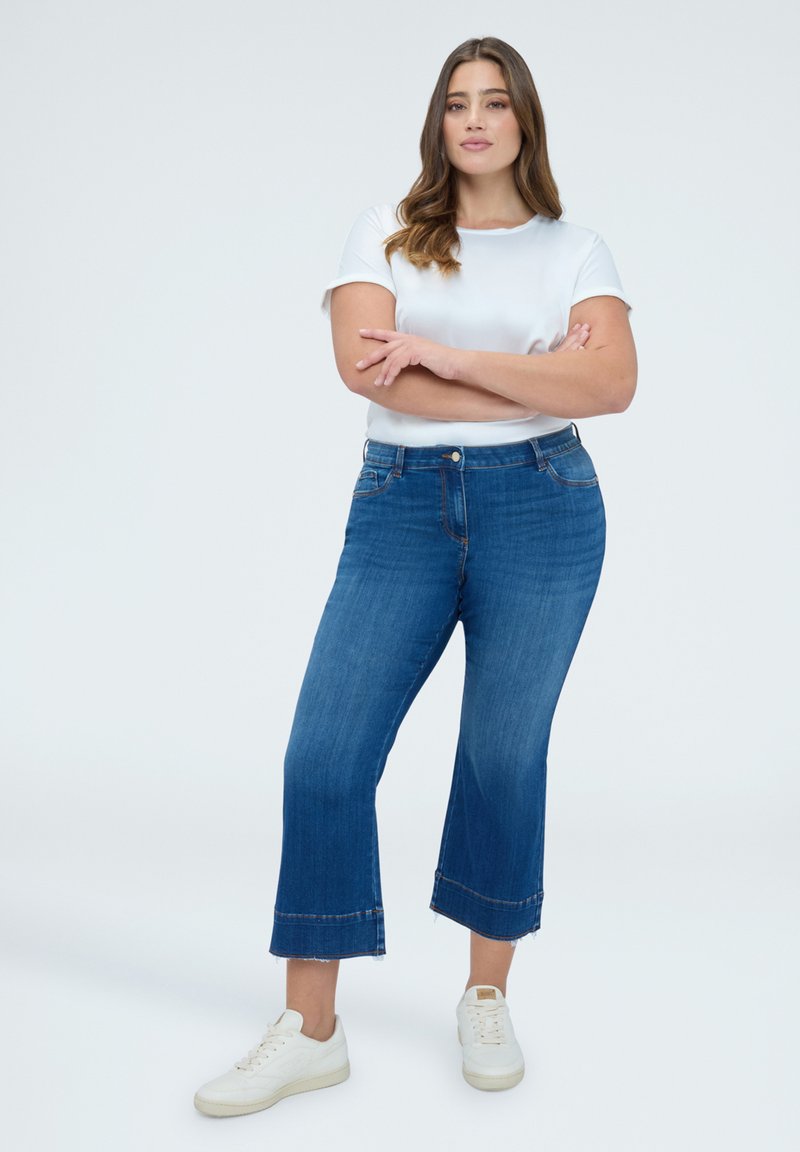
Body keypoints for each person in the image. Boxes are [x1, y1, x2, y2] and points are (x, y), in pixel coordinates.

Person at [194, 34, 636, 1117]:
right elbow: (366, 371)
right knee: (325, 754)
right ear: (437, 122)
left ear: (524, 119)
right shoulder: (387, 233)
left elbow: (613, 384)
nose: (474, 120)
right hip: (400, 506)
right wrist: (537, 376)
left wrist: (443, 354)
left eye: (494, 101)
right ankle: (311, 1031)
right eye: (456, 103)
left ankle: (485, 996)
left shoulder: (576, 250)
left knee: (501, 756)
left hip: (545, 507)